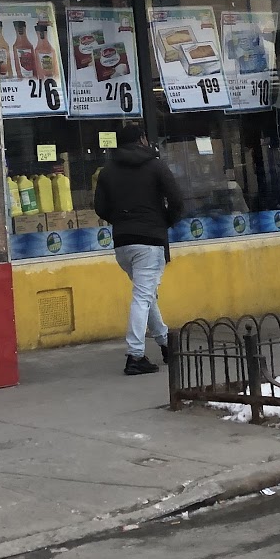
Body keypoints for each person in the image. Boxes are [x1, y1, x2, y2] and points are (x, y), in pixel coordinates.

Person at [93, 121, 185, 376]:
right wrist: (164, 222)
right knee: (142, 297)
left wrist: (121, 221)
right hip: (149, 241)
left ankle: (166, 343)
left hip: (123, 243)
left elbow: (100, 207)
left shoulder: (107, 170)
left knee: (147, 295)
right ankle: (135, 355)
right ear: (143, 139)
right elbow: (177, 200)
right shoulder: (155, 165)